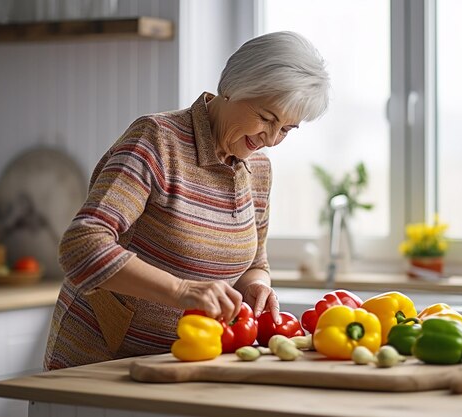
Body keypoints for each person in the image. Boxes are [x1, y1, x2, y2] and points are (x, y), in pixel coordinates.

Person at [44, 31, 330, 370]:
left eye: (286, 129)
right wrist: (182, 290)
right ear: (233, 86)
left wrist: (256, 286)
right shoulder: (157, 140)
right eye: (267, 118)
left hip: (190, 360)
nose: (271, 138)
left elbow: (255, 262)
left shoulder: (259, 168)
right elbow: (81, 246)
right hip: (103, 361)